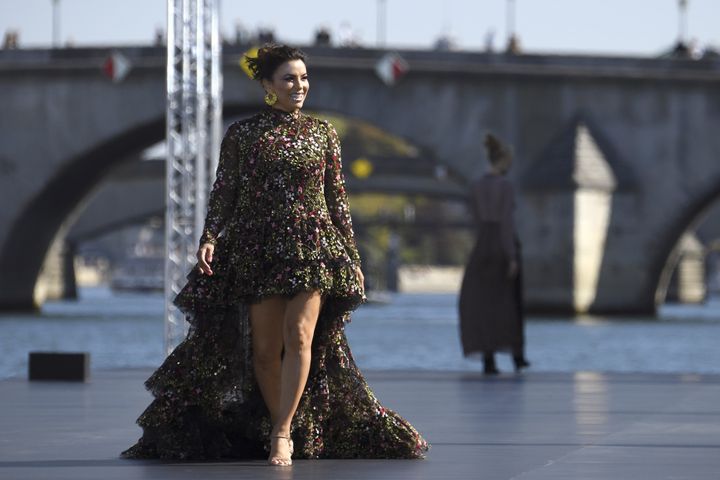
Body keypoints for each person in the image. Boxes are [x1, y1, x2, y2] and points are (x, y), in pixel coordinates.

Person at [120, 44, 428, 465]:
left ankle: (282, 433)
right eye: (289, 78)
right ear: (267, 85)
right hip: (258, 247)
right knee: (265, 350)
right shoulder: (243, 135)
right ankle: (279, 422)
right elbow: (225, 190)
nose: (299, 85)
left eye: (303, 77)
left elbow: (336, 199)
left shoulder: (324, 134)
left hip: (313, 245)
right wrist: (210, 235)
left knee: (299, 335)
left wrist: (352, 258)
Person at [458, 134, 530, 375]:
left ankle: (488, 359)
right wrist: (511, 256)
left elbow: (475, 220)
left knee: (482, 303)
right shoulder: (505, 187)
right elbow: (507, 223)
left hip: (482, 246)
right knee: (507, 304)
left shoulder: (477, 186)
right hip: (501, 244)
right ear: (503, 160)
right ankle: (517, 356)